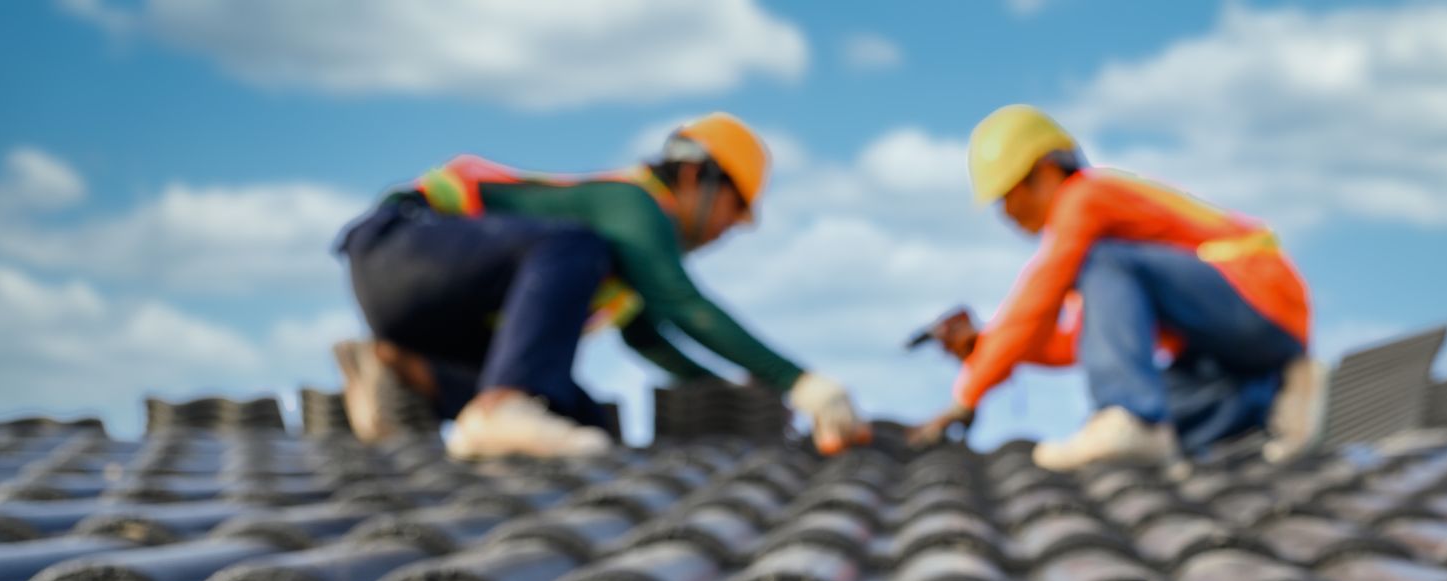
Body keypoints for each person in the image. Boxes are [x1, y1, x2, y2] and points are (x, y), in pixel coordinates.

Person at [331, 114, 867, 458]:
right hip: (400, 249)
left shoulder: (630, 252)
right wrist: (803, 383)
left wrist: (736, 397)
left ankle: (400, 370)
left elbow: (652, 338)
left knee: (576, 419)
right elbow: (680, 302)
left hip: (433, 316)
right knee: (574, 246)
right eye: (735, 209)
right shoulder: (631, 205)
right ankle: (497, 407)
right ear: (694, 177)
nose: (729, 229)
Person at [914, 105, 1322, 469]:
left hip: (1262, 295)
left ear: (1045, 171)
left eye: (1007, 195)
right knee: (1166, 421)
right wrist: (982, 348)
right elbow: (1080, 340)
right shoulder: (1106, 273)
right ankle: (1278, 395)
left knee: (1134, 417)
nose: (1006, 213)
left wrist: (969, 395)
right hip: (1243, 347)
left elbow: (1040, 295)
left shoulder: (1085, 199)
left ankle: (1132, 417)